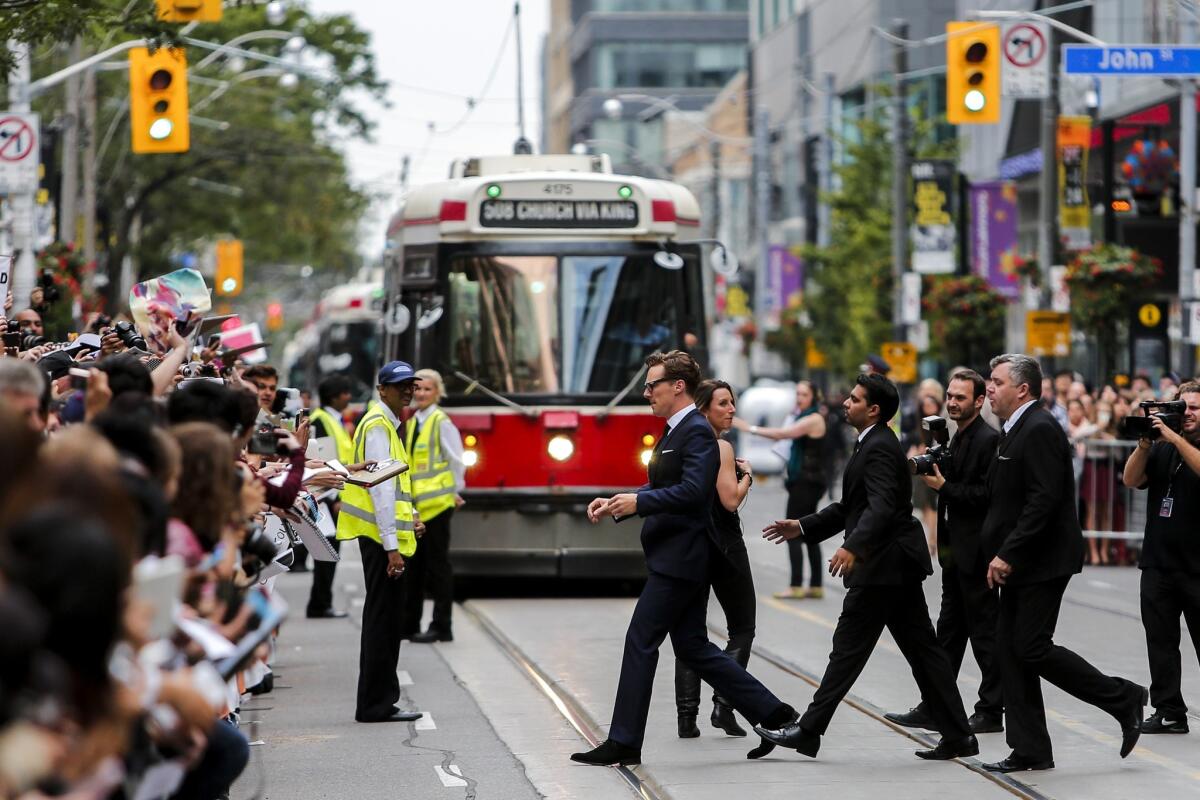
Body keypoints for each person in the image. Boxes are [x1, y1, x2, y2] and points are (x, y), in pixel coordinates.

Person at [571, 350, 799, 767]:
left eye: (651, 385)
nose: (646, 393)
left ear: (677, 386)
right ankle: (778, 715)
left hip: (681, 560)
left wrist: (639, 505)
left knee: (641, 640)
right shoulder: (678, 431)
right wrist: (623, 498)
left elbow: (695, 493)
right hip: (679, 557)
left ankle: (623, 740)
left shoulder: (694, 431)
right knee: (693, 647)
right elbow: (665, 483)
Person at [754, 373, 975, 762]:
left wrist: (853, 547)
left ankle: (808, 731)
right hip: (893, 566)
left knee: (848, 650)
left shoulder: (877, 447)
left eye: (854, 399)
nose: (845, 403)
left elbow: (882, 507)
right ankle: (959, 735)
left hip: (883, 566)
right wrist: (802, 526)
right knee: (924, 653)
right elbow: (849, 507)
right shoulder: (871, 443)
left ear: (873, 409)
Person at [980, 353, 1146, 773]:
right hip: (1023, 561)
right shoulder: (1011, 429)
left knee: (1031, 646)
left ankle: (1122, 698)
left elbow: (1044, 500)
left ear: (1023, 389)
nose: (989, 388)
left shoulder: (1038, 429)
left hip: (1041, 560)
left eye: (997, 382)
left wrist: (1007, 553)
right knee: (1011, 649)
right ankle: (1030, 748)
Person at [884, 369, 1004, 736]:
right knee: (948, 634)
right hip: (955, 551)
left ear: (979, 401)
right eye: (950, 396)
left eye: (960, 398)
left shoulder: (987, 440)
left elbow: (986, 497)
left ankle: (990, 709)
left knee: (984, 634)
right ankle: (936, 705)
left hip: (978, 552)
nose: (952, 402)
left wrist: (944, 486)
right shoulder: (955, 436)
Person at [336, 361, 425, 723]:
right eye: (401, 385)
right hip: (380, 541)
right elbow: (382, 490)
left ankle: (380, 700)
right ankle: (375, 703)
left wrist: (412, 518)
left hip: (384, 538)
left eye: (411, 385)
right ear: (382, 388)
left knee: (386, 621)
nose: (408, 391)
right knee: (382, 622)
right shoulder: (378, 425)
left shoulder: (386, 423)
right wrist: (392, 548)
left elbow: (397, 488)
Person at [675, 379, 758, 738]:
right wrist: (748, 477)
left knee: (690, 631)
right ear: (704, 407)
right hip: (724, 543)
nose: (731, 409)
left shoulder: (682, 442)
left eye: (733, 403)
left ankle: (686, 717)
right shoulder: (719, 445)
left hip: (693, 544)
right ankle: (724, 705)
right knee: (742, 626)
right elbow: (729, 500)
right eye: (723, 403)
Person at [1122, 381, 1200, 735]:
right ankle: (1169, 710)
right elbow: (1130, 478)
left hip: (1197, 565)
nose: (1188, 414)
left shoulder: (1182, 444)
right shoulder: (1162, 446)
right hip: (1158, 561)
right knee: (1160, 642)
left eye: (1195, 407)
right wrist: (1145, 443)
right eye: (1183, 407)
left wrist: (1175, 439)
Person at [735, 380, 827, 599]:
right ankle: (815, 586)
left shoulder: (813, 419)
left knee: (792, 529)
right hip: (808, 480)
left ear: (814, 397)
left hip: (806, 481)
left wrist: (750, 428)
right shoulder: (803, 417)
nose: (799, 398)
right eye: (797, 394)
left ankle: (796, 585)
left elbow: (782, 435)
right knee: (810, 531)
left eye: (804, 394)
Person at [402, 368, 465, 643]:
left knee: (438, 568)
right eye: (417, 389)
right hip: (418, 507)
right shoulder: (415, 420)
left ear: (438, 393)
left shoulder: (441, 421)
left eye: (427, 389)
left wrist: (455, 492)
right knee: (414, 569)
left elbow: (457, 460)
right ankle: (410, 623)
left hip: (438, 505)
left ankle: (442, 626)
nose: (421, 394)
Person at [306, 374, 356, 619]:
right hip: (326, 498)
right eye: (345, 392)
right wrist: (335, 498)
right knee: (327, 552)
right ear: (335, 396)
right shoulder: (322, 421)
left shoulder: (334, 419)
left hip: (332, 493)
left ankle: (321, 602)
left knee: (330, 552)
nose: (349, 397)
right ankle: (319, 604)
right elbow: (324, 462)